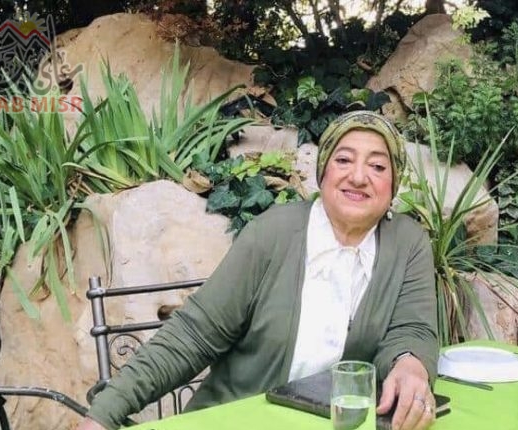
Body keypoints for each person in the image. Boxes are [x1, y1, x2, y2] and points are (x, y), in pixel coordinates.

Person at [77, 110, 439, 430]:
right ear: (323, 172)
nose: (358, 177)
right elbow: (194, 334)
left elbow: (412, 327)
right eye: (344, 160)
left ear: (393, 185)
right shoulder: (272, 233)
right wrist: (105, 413)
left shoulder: (407, 242)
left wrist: (410, 362)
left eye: (378, 167)